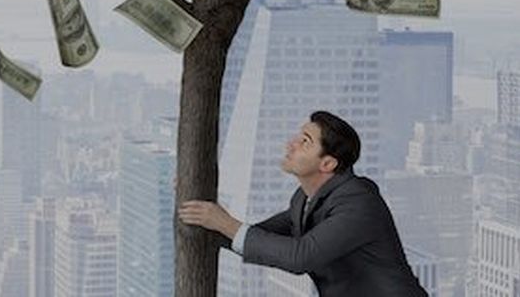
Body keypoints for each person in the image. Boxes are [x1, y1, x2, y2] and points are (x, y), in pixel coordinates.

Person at [179, 111, 429, 296]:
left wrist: (224, 222)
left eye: (305, 141)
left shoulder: (358, 202)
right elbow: (257, 238)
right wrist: (201, 211)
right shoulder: (304, 200)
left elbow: (300, 257)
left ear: (328, 164)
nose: (291, 144)